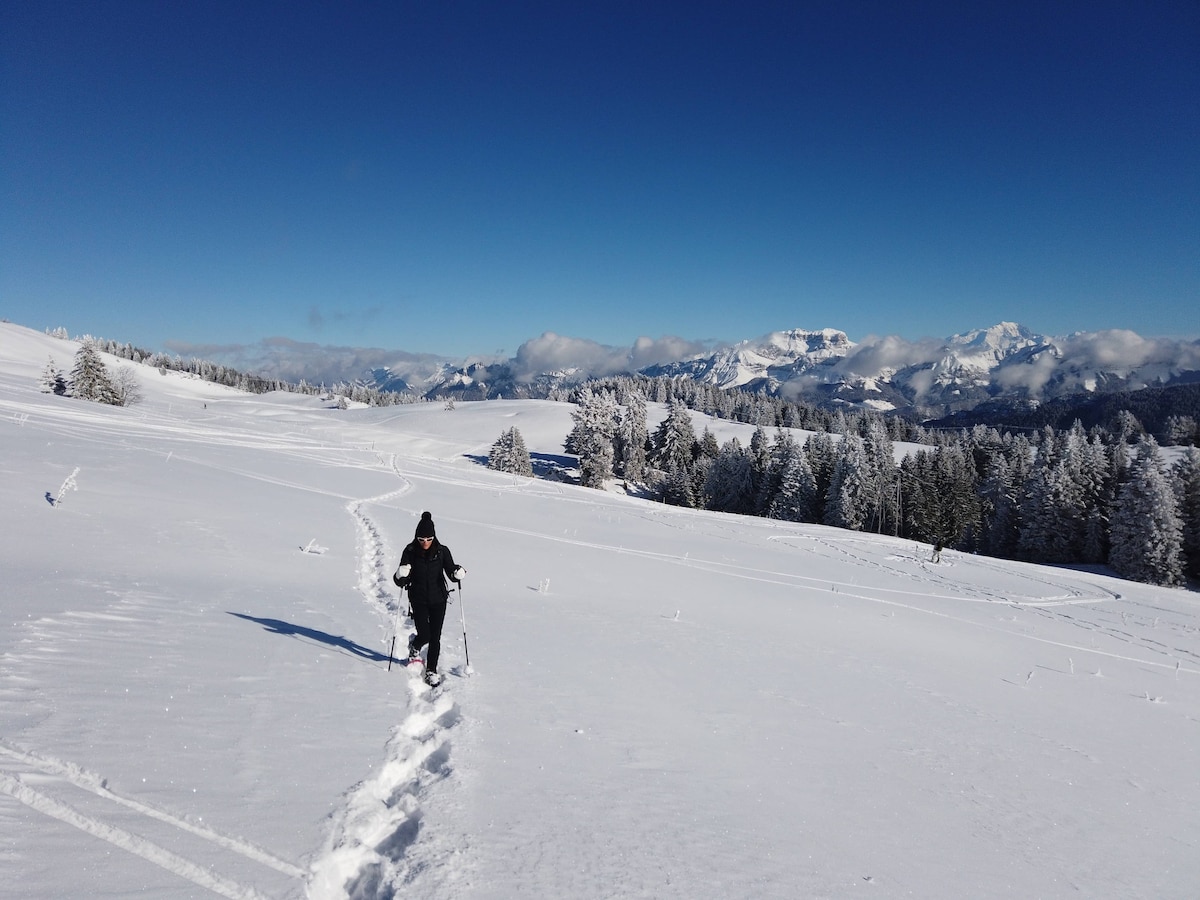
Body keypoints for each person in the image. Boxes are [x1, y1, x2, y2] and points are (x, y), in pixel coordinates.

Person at [393, 511, 465, 687]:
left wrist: (457, 573)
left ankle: (431, 670)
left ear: (434, 537)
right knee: (425, 634)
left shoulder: (442, 551)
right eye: (421, 540)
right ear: (416, 538)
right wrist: (400, 574)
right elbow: (400, 580)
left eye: (428, 539)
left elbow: (451, 572)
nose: (425, 543)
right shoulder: (410, 551)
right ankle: (415, 646)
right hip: (418, 599)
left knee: (435, 637)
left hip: (438, 599)